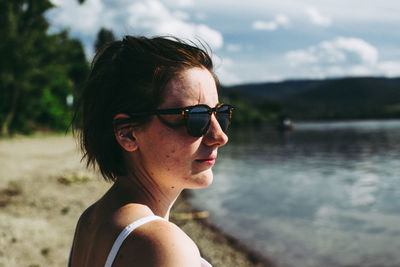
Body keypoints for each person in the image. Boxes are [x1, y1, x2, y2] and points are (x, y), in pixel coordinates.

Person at [68, 36, 234, 267]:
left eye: (220, 115)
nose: (220, 137)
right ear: (128, 133)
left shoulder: (92, 219)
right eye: (197, 118)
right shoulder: (162, 245)